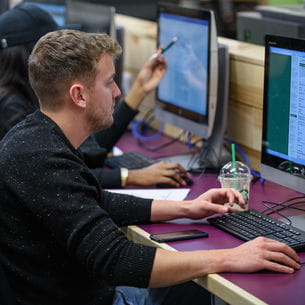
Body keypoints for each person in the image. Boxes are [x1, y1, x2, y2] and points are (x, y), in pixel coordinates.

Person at [0, 29, 300, 305]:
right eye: (108, 82)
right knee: (198, 287)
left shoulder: (34, 135)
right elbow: (117, 259)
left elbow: (92, 199)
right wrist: (231, 257)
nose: (117, 92)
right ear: (79, 95)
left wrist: (188, 208)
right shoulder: (41, 157)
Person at [0, 4, 188, 189]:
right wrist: (131, 176)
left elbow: (90, 152)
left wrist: (140, 89)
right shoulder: (11, 106)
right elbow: (60, 176)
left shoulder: (24, 96)